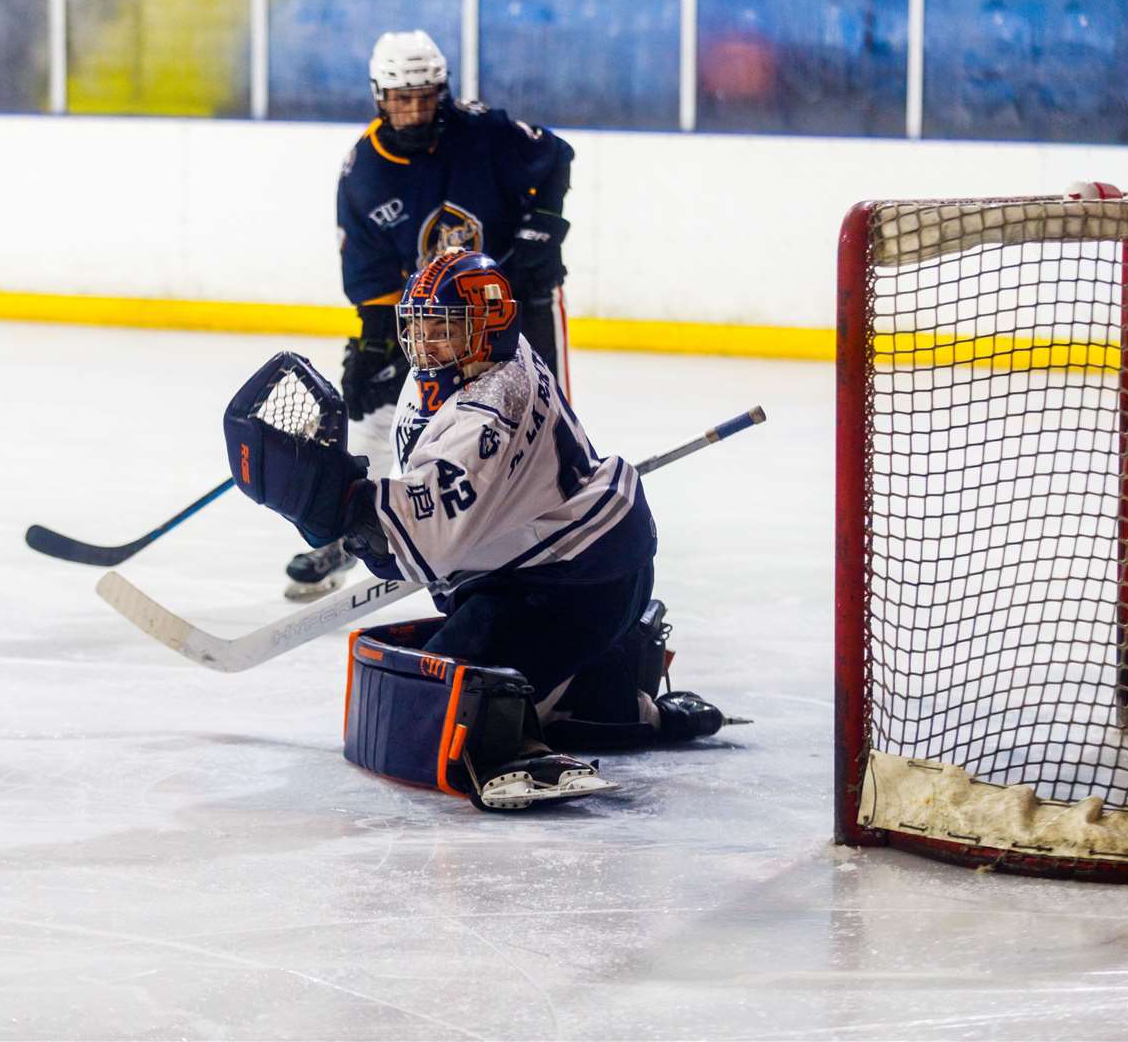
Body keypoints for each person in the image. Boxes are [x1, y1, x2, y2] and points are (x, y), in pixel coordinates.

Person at [225, 250, 743, 809]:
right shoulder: (490, 358)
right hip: (581, 561)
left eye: (445, 329)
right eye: (420, 326)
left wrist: (336, 506)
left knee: (446, 699)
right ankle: (613, 697)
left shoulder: (491, 410)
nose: (426, 344)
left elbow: (411, 548)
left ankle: (513, 747)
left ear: (489, 330)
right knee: (454, 658)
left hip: (575, 586)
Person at [282, 29, 576, 601]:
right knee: (376, 409)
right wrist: (374, 338)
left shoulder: (483, 131)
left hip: (517, 296)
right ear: (379, 97)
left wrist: (543, 226)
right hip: (434, 314)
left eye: (425, 97)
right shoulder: (364, 170)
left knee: (541, 408)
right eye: (401, 99)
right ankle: (352, 534)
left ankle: (557, 513)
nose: (414, 111)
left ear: (442, 91)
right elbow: (368, 267)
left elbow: (555, 157)